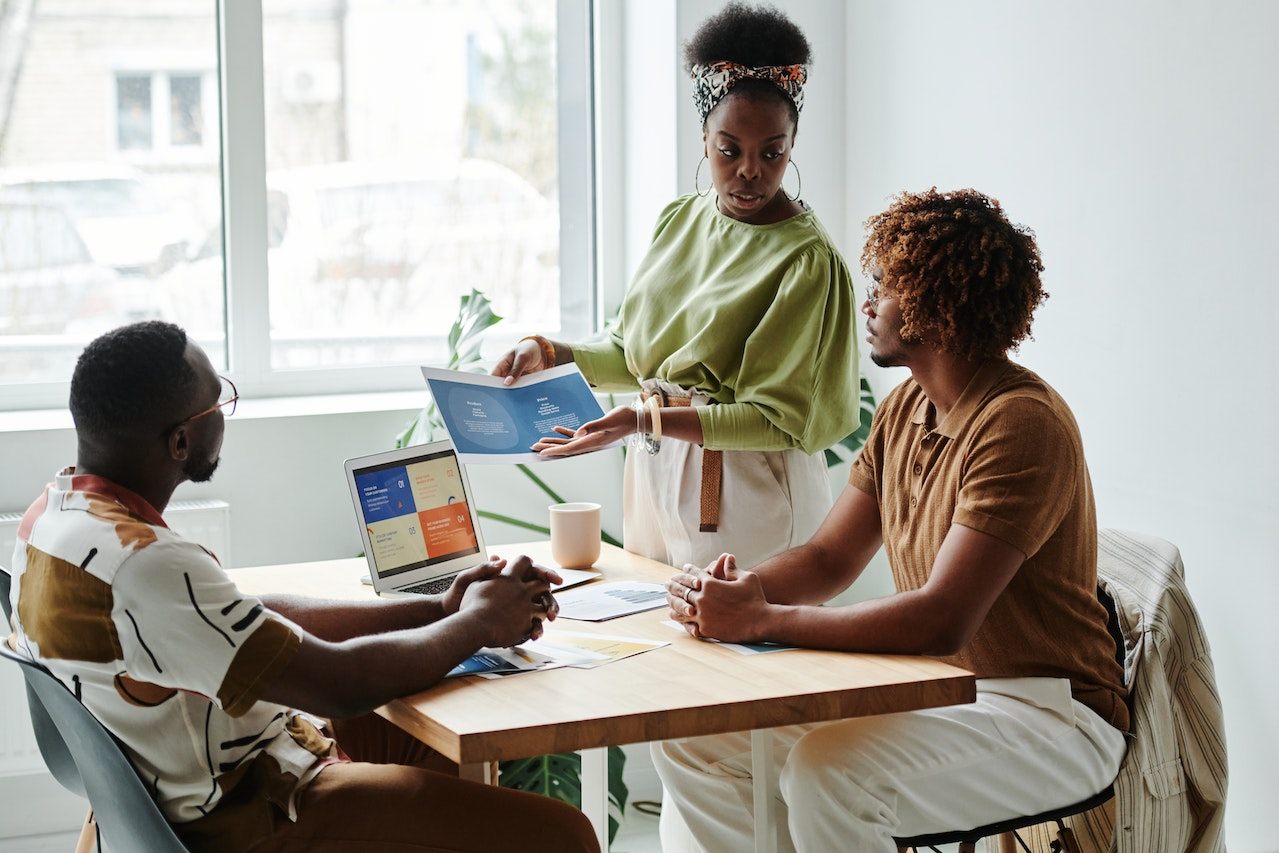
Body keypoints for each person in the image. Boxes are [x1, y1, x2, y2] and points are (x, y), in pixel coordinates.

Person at [5, 321, 598, 853]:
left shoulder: (53, 520)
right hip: (243, 815)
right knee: (562, 835)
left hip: (189, 780)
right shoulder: (145, 566)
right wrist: (477, 623)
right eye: (219, 402)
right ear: (180, 442)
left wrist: (438, 609)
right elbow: (340, 685)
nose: (225, 412)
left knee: (438, 740)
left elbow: (251, 616)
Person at [655, 189, 1130, 852]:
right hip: (942, 691)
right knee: (698, 738)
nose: (868, 303)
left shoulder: (1020, 423)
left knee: (832, 774)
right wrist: (738, 590)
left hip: (1051, 712)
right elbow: (828, 559)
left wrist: (760, 620)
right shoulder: (905, 407)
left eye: (883, 285)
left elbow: (942, 619)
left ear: (937, 303)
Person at [493, 1, 860, 572]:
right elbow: (631, 354)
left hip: (745, 486)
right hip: (654, 470)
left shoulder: (806, 261)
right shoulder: (679, 221)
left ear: (792, 143)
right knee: (653, 622)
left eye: (772, 152)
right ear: (704, 137)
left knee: (744, 630)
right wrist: (549, 353)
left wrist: (643, 421)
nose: (750, 170)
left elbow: (775, 419)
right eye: (729, 149)